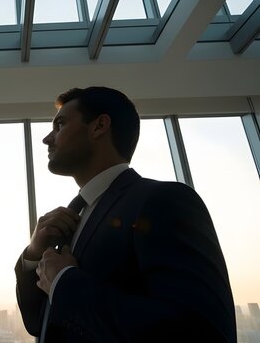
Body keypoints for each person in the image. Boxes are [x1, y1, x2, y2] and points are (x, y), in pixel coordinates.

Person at [15, 87, 236, 342]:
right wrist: (33, 254)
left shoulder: (164, 200)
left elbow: (203, 331)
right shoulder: (73, 218)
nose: (47, 139)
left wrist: (65, 282)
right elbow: (39, 323)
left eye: (60, 124)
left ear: (99, 126)